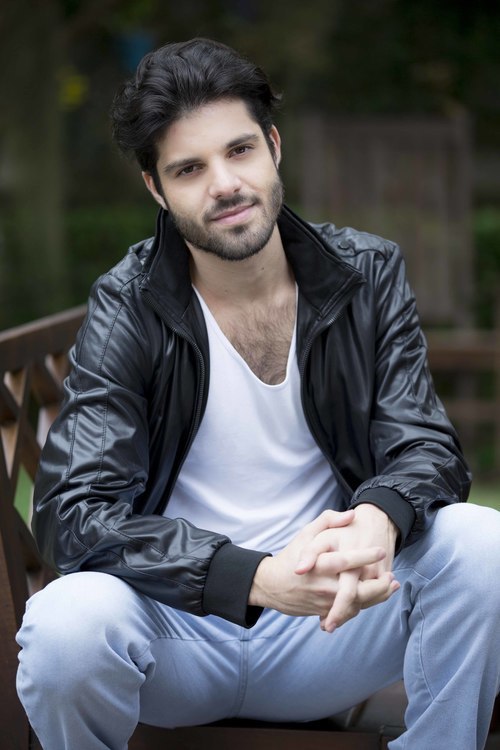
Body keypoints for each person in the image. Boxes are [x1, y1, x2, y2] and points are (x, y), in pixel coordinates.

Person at [16, 38, 500, 750]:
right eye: (189, 168)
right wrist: (255, 578)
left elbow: (424, 445)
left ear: (273, 147)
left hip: (334, 625)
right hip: (179, 639)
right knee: (65, 630)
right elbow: (73, 510)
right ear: (156, 188)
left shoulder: (364, 274)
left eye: (239, 151)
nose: (224, 184)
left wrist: (380, 515)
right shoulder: (129, 306)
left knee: (482, 544)